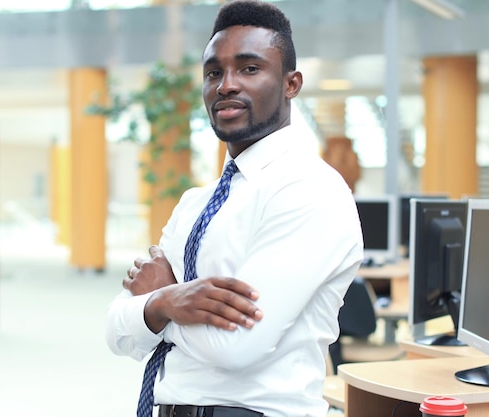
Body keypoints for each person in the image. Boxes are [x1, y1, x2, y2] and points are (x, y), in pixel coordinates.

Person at [105, 1, 364, 416]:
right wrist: (165, 302)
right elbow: (117, 334)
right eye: (213, 72)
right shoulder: (195, 203)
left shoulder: (310, 191)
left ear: (291, 83)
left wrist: (157, 304)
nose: (226, 85)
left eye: (249, 68)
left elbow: (237, 346)